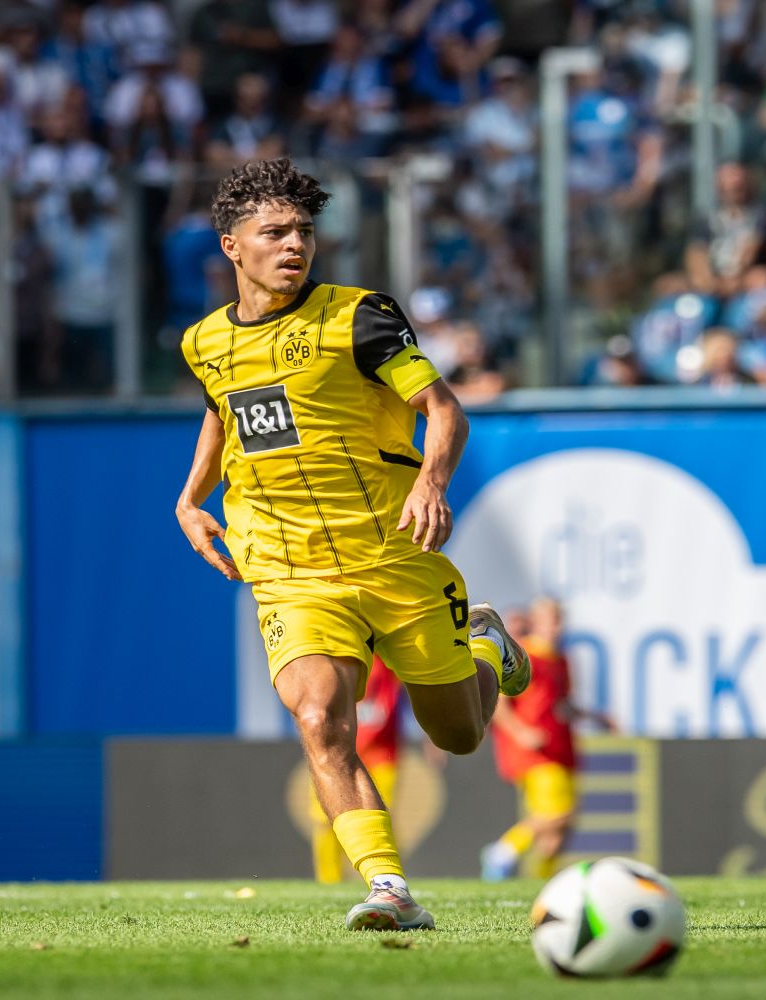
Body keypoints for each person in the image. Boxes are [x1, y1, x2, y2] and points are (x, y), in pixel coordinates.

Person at [174, 158, 531, 932]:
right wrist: (191, 497)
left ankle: (484, 643)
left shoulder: (359, 317)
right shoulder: (204, 342)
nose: (294, 244)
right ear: (232, 246)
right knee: (318, 718)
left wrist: (431, 482)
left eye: (303, 231)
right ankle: (389, 889)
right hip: (289, 569)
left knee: (459, 735)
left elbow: (443, 410)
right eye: (274, 232)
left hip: (393, 552)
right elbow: (222, 411)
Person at [480, 597, 612, 881]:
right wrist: (520, 732)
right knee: (560, 811)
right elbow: (498, 702)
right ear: (536, 623)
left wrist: (595, 717)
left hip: (561, 746)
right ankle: (503, 851)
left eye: (560, 621)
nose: (557, 627)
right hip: (534, 752)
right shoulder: (524, 654)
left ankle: (541, 883)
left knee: (559, 831)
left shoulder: (562, 660)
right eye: (552, 621)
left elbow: (562, 704)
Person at [311, 657, 404, 883]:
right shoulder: (330, 657)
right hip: (335, 753)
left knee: (380, 818)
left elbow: (417, 682)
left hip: (381, 754)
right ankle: (328, 883)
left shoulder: (388, 659)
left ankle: (387, 881)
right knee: (326, 819)